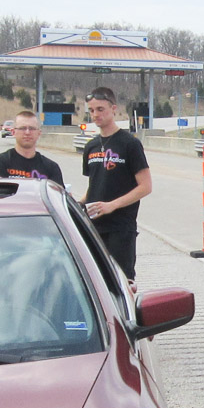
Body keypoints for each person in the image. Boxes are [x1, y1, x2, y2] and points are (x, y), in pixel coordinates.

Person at [80, 87, 152, 280]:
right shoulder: (91, 146)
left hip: (120, 228)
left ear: (113, 109)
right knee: (95, 280)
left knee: (122, 281)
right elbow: (95, 185)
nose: (96, 114)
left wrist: (112, 205)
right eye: (92, 110)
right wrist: (77, 203)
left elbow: (145, 186)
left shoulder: (130, 144)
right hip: (94, 227)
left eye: (100, 109)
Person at [0, 110, 63, 185]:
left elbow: (57, 192)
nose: (27, 132)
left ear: (39, 133)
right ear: (13, 132)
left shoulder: (51, 167)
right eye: (22, 128)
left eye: (32, 128)